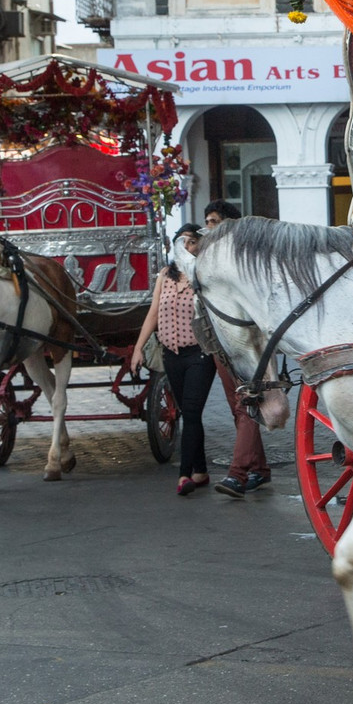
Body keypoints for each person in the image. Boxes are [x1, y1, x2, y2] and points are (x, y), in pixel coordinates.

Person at [133, 225, 214, 496]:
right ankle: (200, 470)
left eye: (193, 242)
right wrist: (138, 347)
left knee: (191, 412)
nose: (189, 247)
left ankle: (184, 475)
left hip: (199, 355)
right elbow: (153, 313)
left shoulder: (204, 276)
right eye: (184, 242)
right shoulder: (165, 276)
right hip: (171, 355)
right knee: (188, 413)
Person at [202, 200, 272, 499]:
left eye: (215, 221)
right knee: (237, 408)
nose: (209, 228)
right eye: (207, 221)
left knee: (247, 406)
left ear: (230, 224)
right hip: (220, 342)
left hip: (247, 344)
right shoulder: (210, 259)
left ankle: (237, 474)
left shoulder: (244, 258)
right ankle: (259, 469)